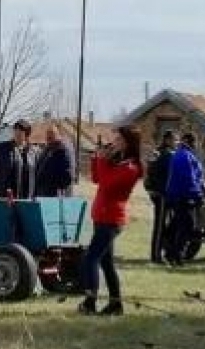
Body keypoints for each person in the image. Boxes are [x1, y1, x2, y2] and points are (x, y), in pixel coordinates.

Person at [78, 126, 144, 316]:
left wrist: (102, 160)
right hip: (103, 217)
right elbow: (97, 179)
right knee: (106, 263)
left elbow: (107, 184)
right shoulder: (120, 162)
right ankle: (116, 305)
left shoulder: (131, 168)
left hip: (111, 219)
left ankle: (90, 302)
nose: (114, 143)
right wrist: (97, 158)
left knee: (91, 258)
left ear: (126, 143)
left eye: (117, 140)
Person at [164, 132, 205, 266]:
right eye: (194, 142)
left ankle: (171, 252)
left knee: (177, 224)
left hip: (179, 195)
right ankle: (177, 255)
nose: (196, 145)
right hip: (184, 196)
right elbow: (189, 178)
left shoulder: (182, 154)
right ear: (189, 141)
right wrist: (198, 195)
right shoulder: (184, 156)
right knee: (187, 225)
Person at [144, 130, 178, 263]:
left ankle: (164, 250)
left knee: (163, 225)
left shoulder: (156, 152)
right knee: (159, 226)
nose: (176, 143)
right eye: (175, 140)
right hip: (162, 193)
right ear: (168, 140)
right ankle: (156, 255)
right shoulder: (167, 155)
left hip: (157, 192)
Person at [0, 119, 37, 199]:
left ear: (26, 134)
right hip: (3, 194)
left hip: (26, 196)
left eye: (20, 132)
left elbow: (36, 174)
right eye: (16, 131)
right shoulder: (2, 148)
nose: (17, 133)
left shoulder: (34, 152)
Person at [35, 123, 74, 197]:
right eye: (47, 134)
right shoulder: (46, 151)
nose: (48, 136)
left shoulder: (63, 151)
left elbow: (67, 178)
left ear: (58, 135)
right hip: (42, 194)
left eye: (52, 134)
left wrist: (54, 187)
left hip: (55, 196)